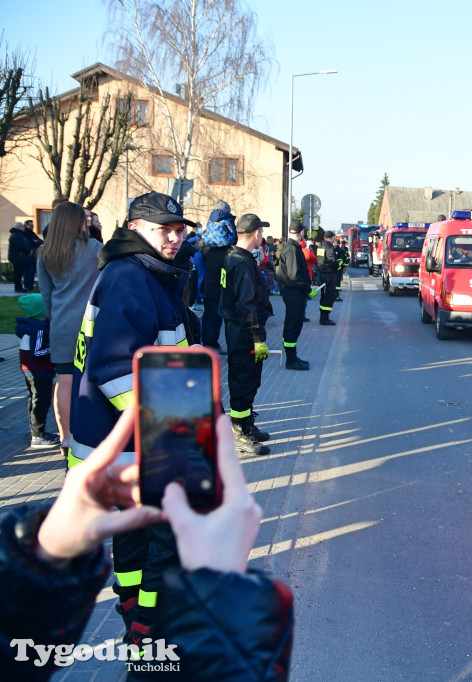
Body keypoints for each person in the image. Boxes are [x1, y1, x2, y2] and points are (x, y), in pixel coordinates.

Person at [0, 408, 294, 681]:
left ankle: (142, 635)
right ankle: (147, 636)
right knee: (161, 553)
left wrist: (38, 560)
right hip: (159, 460)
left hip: (131, 462)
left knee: (143, 553)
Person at [68, 191, 200, 652]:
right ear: (134, 228)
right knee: (165, 540)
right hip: (138, 444)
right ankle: (151, 632)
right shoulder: (131, 276)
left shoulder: (143, 273)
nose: (175, 236)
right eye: (164, 228)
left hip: (122, 443)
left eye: (180, 228)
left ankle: (136, 621)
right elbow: (116, 370)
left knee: (137, 540)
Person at [37, 201, 103, 460]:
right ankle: (91, 433)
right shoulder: (95, 249)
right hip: (91, 324)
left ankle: (66, 437)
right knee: (90, 381)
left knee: (64, 382)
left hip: (61, 323)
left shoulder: (45, 253)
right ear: (77, 222)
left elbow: (45, 293)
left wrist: (56, 319)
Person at [219, 213, 273, 455]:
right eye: (261, 231)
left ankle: (246, 424)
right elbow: (246, 304)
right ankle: (239, 432)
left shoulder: (235, 256)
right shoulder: (241, 262)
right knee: (243, 379)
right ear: (257, 233)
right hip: (244, 331)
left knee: (249, 379)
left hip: (238, 328)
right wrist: (257, 337)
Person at [15, 294, 59, 449]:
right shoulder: (39, 328)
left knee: (34, 400)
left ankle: (37, 432)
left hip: (31, 371)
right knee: (41, 402)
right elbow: (37, 352)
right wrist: (55, 349)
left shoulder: (31, 326)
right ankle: (38, 437)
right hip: (39, 371)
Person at [275, 221, 312, 370]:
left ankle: (293, 356)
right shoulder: (292, 249)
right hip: (293, 293)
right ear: (302, 232)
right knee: (292, 325)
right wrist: (308, 289)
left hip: (294, 292)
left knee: (295, 324)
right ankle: (291, 359)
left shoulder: (292, 247)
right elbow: (294, 275)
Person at [200, 206, 235, 352]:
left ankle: (209, 344)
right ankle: (211, 346)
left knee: (210, 318)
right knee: (218, 319)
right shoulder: (229, 251)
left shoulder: (207, 249)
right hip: (221, 288)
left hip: (209, 286)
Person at [8, 221, 43, 293]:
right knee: (18, 273)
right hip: (18, 257)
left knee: (20, 273)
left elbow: (32, 242)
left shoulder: (21, 235)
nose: (23, 228)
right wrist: (28, 251)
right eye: (21, 227)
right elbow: (19, 245)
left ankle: (23, 287)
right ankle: (18, 288)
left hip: (22, 257)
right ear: (18, 227)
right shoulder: (15, 235)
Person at [316, 230, 339, 326]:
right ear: (332, 238)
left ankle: (322, 317)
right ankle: (325, 318)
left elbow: (320, 260)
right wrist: (337, 266)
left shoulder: (320, 246)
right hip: (329, 274)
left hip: (321, 273)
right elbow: (331, 260)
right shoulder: (329, 247)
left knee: (323, 296)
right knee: (330, 296)